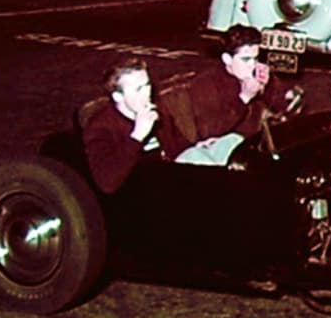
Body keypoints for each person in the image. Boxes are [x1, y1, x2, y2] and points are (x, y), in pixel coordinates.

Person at [172, 24, 294, 165]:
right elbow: (210, 131)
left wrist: (269, 88)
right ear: (227, 59)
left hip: (252, 149)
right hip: (222, 153)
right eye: (246, 59)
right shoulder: (207, 83)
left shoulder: (255, 77)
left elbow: (281, 111)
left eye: (256, 58)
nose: (253, 65)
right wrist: (244, 98)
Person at [82, 58, 170, 194]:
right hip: (142, 193)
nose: (147, 93)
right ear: (118, 96)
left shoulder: (152, 108)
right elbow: (106, 183)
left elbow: (176, 144)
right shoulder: (100, 128)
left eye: (147, 85)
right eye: (138, 89)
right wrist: (137, 136)